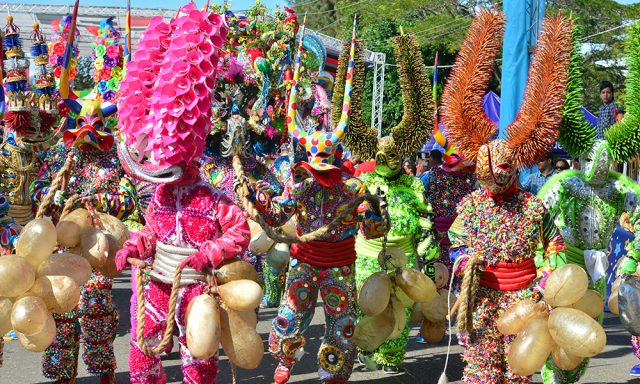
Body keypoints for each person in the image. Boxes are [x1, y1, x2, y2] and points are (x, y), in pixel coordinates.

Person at [115, 6, 251, 383]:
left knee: (199, 357)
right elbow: (153, 232)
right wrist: (135, 246)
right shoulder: (158, 196)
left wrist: (208, 253)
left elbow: (239, 233)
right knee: (143, 354)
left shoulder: (211, 197)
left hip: (196, 288)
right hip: (157, 282)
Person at [441, 9, 570, 383]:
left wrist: (546, 281)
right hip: (481, 299)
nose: (501, 174)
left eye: (507, 168)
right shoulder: (471, 205)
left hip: (525, 301)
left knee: (518, 373)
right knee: (482, 372)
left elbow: (554, 243)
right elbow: (455, 240)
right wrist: (466, 259)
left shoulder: (533, 207)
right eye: (493, 169)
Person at [340, 34, 436, 374]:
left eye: (393, 155)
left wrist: (427, 247)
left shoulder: (413, 184)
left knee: (401, 312)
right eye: (382, 155)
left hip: (405, 259)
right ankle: (367, 350)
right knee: (371, 308)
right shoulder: (365, 182)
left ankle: (391, 358)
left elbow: (425, 219)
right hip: (367, 256)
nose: (388, 159)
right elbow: (350, 213)